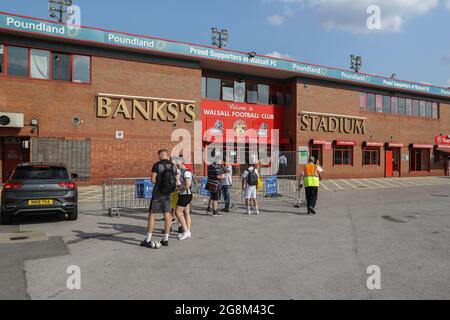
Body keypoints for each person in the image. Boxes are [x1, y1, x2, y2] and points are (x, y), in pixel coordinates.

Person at [141, 149, 178, 248]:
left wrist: (160, 182)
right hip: (168, 193)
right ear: (167, 155)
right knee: (167, 214)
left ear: (160, 155)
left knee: (152, 214)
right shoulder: (173, 166)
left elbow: (153, 180)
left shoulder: (157, 165)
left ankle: (148, 239)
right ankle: (166, 239)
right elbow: (176, 179)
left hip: (158, 193)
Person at [175, 159, 193, 241]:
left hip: (185, 195)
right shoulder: (183, 172)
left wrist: (178, 188)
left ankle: (185, 231)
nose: (176, 165)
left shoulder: (186, 172)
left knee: (178, 212)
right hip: (185, 195)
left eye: (177, 163)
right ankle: (188, 231)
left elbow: (188, 184)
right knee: (186, 213)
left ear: (182, 163)